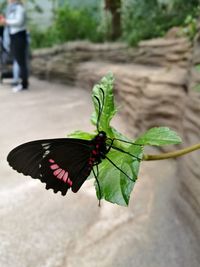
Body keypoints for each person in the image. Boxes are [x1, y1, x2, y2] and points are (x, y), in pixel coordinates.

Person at [0, 0, 29, 92]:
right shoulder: (12, 9)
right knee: (18, 59)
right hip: (13, 35)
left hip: (19, 35)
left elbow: (19, 21)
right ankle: (22, 83)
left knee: (21, 61)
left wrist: (6, 21)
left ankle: (24, 84)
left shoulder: (19, 8)